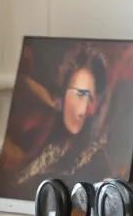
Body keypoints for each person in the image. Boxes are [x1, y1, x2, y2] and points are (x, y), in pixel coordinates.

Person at [16, 46, 111, 190]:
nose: (83, 110)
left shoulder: (95, 163)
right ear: (63, 93)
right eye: (79, 94)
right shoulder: (51, 145)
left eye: (90, 98)